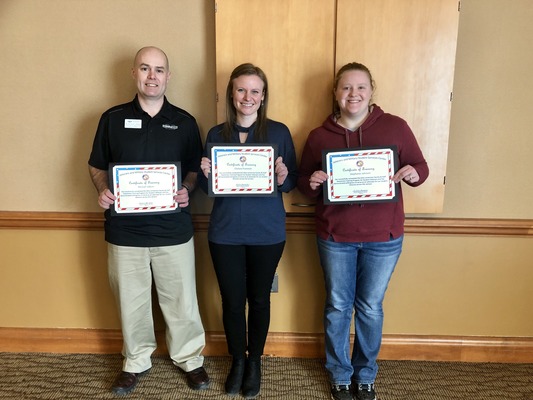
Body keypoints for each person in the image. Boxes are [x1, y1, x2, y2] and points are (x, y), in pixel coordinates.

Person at [297, 62, 429, 400]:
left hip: (383, 237)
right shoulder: (319, 136)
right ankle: (340, 373)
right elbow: (303, 184)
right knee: (338, 307)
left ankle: (365, 373)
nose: (353, 94)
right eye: (346, 88)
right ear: (336, 93)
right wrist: (312, 183)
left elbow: (421, 166)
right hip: (335, 236)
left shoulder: (396, 127)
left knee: (370, 307)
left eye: (360, 87)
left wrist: (414, 173)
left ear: (371, 91)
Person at [88, 46, 209, 395]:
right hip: (124, 232)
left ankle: (190, 359)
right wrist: (103, 190)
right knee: (131, 301)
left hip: (173, 229)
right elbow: (97, 165)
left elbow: (192, 170)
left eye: (159, 70)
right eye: (145, 68)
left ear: (168, 77)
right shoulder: (111, 118)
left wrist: (187, 189)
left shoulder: (184, 122)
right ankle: (135, 361)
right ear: (134, 73)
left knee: (181, 299)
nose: (152, 76)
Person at [197, 63, 297, 399]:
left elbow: (292, 182)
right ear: (231, 94)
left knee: (258, 299)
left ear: (264, 96)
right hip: (224, 232)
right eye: (241, 90)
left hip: (267, 232)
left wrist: (283, 176)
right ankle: (237, 360)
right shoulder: (215, 135)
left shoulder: (279, 133)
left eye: (255, 90)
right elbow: (206, 189)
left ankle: (255, 362)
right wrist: (205, 173)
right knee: (231, 300)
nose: (248, 97)